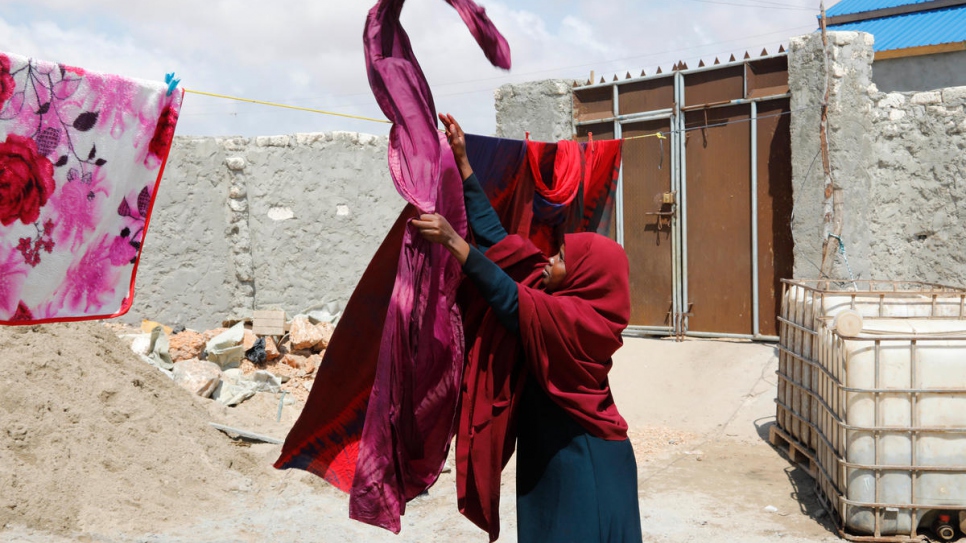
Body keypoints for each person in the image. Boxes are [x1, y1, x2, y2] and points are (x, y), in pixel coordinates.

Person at [412, 113, 643, 543]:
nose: (550, 260)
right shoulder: (555, 293)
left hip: (585, 460)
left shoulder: (575, 321)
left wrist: (453, 243)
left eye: (561, 258)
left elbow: (507, 298)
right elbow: (501, 243)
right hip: (552, 450)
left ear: (585, 278)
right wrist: (464, 165)